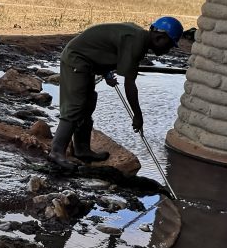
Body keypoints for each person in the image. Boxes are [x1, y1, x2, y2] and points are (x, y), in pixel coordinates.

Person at [48, 16, 184, 171]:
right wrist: (137, 115)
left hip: (87, 61)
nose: (168, 50)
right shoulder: (136, 42)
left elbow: (107, 47)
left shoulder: (138, 37)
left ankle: (81, 149)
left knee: (88, 103)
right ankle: (56, 152)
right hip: (76, 59)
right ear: (160, 37)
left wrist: (106, 73)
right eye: (169, 45)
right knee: (75, 105)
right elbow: (130, 85)